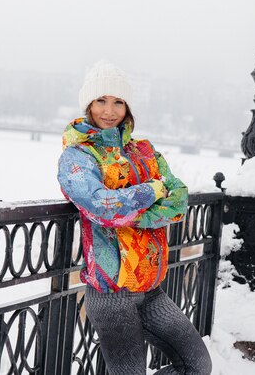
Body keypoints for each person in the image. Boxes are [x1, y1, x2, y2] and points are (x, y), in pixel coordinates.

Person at [57, 60, 212, 375]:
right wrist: (153, 190)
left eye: (118, 101)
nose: (109, 110)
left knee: (197, 365)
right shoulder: (77, 156)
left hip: (151, 287)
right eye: (101, 100)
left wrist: (134, 216)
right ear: (88, 103)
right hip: (111, 290)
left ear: (128, 107)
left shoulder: (143, 150)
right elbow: (102, 207)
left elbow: (179, 198)